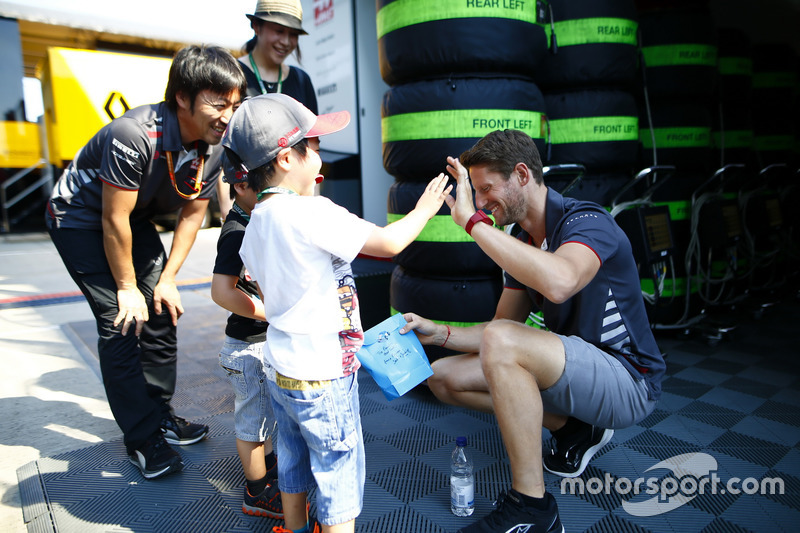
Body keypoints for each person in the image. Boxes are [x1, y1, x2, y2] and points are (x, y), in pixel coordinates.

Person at [400, 129, 666, 533]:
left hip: (628, 381)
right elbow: (501, 328)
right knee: (442, 378)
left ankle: (532, 507)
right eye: (476, 192)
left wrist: (471, 223)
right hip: (574, 369)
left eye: (486, 189)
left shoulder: (588, 221)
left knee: (501, 343)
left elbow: (559, 281)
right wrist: (438, 333)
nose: (482, 202)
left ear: (522, 174)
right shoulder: (522, 241)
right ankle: (574, 427)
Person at [223, 93, 451, 533]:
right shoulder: (312, 212)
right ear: (287, 157)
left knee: (291, 459)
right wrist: (424, 209)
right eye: (315, 146)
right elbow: (388, 244)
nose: (321, 154)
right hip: (322, 375)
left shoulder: (256, 223)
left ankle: (291, 527)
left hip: (281, 368)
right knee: (337, 477)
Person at [46, 45, 247, 480]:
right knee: (121, 321)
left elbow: (193, 212)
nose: (228, 116)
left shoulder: (214, 146)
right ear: (182, 97)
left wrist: (168, 278)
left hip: (131, 220)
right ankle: (142, 437)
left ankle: (159, 415)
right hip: (79, 219)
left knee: (161, 307)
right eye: (218, 103)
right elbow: (111, 217)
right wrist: (125, 287)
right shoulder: (133, 133)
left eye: (234, 104)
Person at [210, 163, 281, 518]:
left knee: (266, 417)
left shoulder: (259, 219)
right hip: (247, 346)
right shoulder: (237, 231)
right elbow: (222, 292)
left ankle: (267, 472)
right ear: (240, 188)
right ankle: (256, 493)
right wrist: (271, 312)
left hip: (263, 342)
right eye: (265, 188)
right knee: (253, 423)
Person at [217, 0, 319, 216]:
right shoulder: (233, 75)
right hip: (245, 201)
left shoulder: (301, 80)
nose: (286, 41)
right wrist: (229, 209)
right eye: (279, 31)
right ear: (256, 26)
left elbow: (312, 145)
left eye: (293, 34)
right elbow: (222, 146)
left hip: (293, 202)